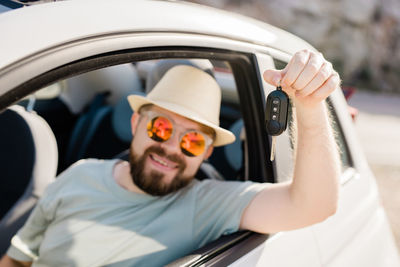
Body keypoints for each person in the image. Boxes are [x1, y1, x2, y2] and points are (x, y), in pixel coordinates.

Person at [0, 49, 341, 267]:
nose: (172, 148)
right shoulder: (79, 175)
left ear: (207, 152)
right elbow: (19, 259)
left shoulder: (207, 204)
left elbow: (314, 205)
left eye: (192, 141)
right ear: (136, 123)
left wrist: (309, 107)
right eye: (161, 128)